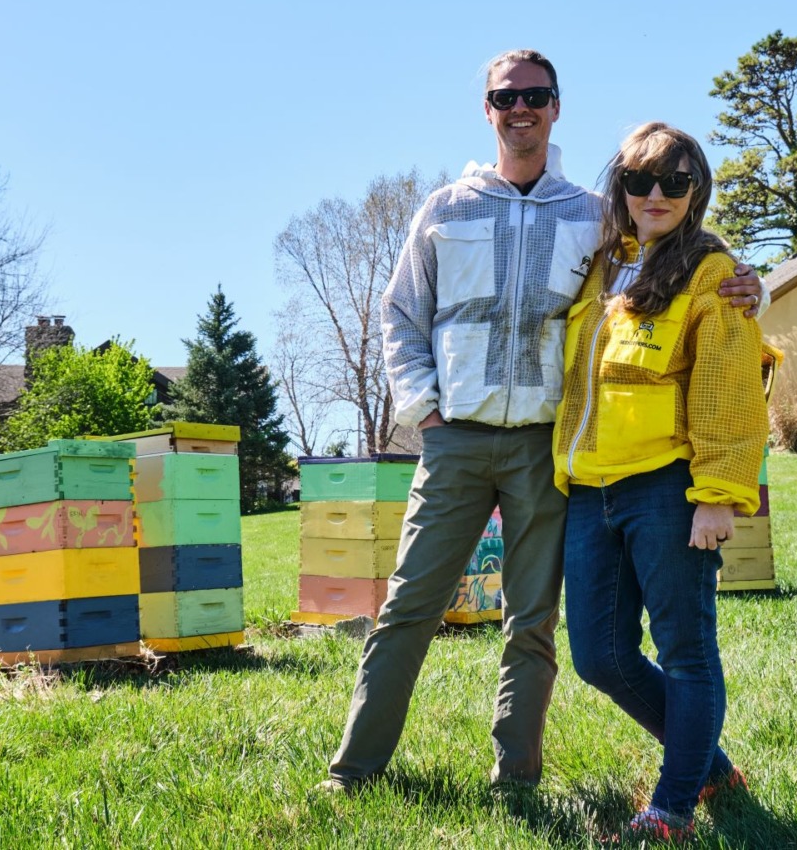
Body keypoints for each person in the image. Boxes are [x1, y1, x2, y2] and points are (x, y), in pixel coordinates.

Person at [319, 51, 766, 793]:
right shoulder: (444, 207)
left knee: (530, 625)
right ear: (487, 109)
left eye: (535, 94)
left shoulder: (592, 214)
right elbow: (402, 314)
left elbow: (681, 258)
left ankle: (515, 783)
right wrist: (422, 410)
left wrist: (758, 289)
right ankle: (354, 772)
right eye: (505, 96)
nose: (519, 107)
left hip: (543, 448)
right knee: (406, 609)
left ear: (557, 106)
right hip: (454, 440)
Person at [553, 121, 772, 840]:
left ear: (696, 192)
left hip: (665, 486)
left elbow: (728, 389)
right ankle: (711, 768)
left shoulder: (714, 273)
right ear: (619, 188)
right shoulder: (600, 266)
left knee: (685, 650)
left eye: (674, 182)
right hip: (590, 489)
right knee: (599, 656)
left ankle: (671, 807)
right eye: (639, 180)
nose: (655, 195)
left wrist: (717, 494)